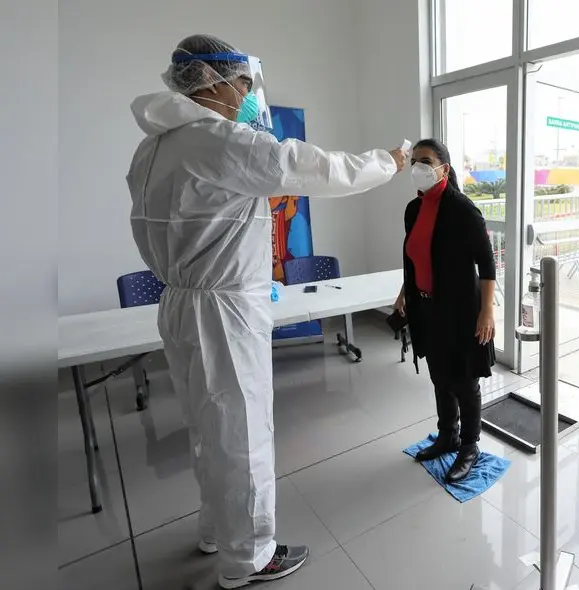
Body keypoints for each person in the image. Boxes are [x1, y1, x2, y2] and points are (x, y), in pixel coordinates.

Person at [126, 34, 406, 589]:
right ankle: (249, 557)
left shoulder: (153, 148)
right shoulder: (219, 140)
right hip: (224, 311)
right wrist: (390, 162)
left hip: (180, 302)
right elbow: (316, 168)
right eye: (245, 83)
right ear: (216, 83)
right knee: (243, 432)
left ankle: (217, 530)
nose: (250, 94)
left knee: (207, 427)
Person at [393, 139, 497, 482]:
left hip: (462, 309)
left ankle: (469, 446)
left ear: (444, 169)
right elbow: (415, 257)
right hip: (426, 307)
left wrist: (487, 312)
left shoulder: (463, 210)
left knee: (464, 380)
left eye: (426, 161)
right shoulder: (413, 209)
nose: (418, 167)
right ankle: (447, 435)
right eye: (414, 161)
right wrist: (405, 291)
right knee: (439, 375)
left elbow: (487, 264)